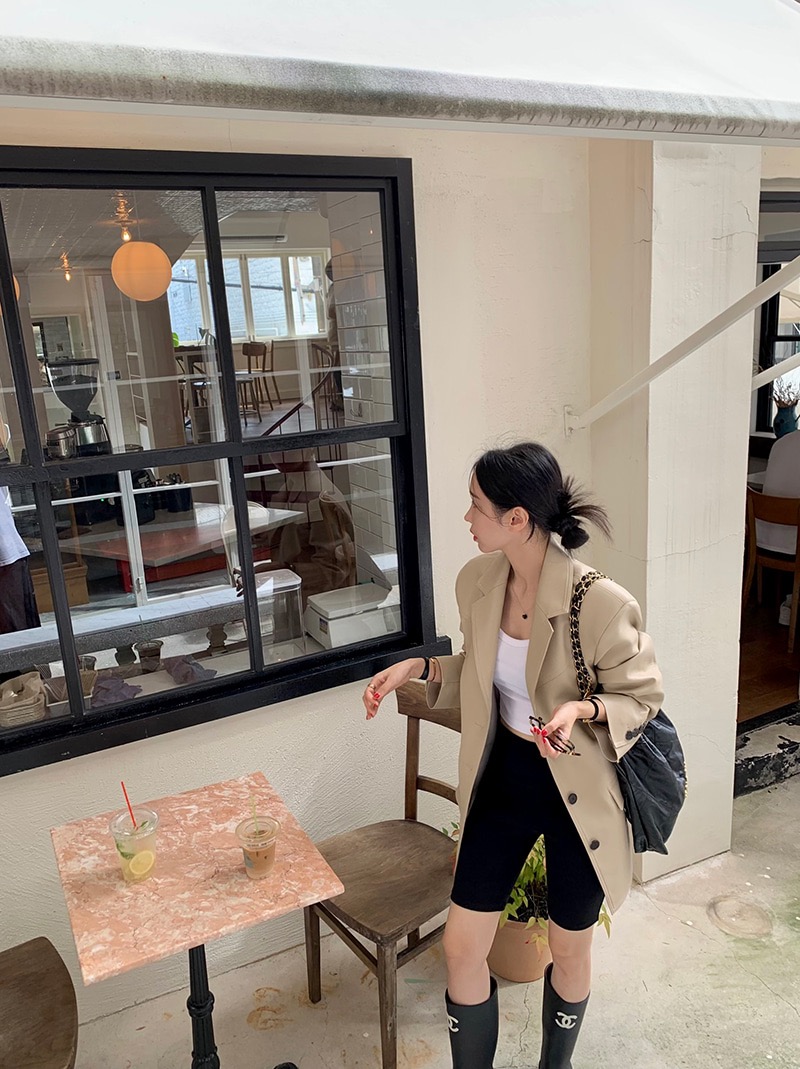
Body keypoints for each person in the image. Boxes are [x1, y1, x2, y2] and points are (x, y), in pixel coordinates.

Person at [363, 441, 663, 1069]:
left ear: (517, 518)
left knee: (569, 948)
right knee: (463, 947)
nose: (467, 517)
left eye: (476, 505)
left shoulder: (600, 602)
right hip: (504, 778)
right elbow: (481, 670)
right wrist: (420, 667)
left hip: (577, 791)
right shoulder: (477, 582)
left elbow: (641, 696)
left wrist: (581, 710)